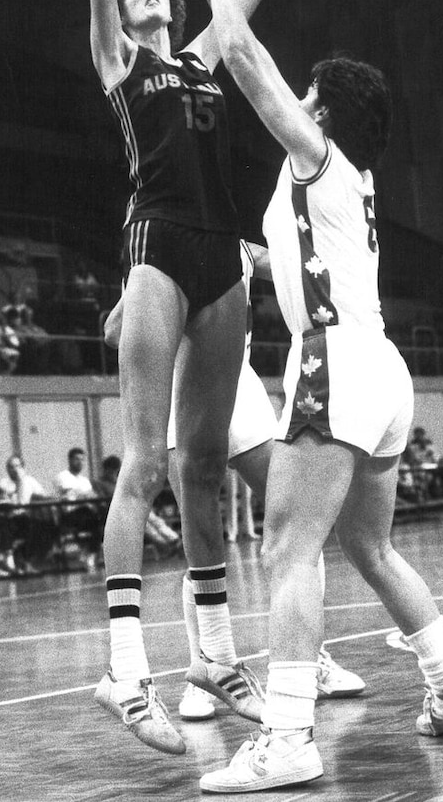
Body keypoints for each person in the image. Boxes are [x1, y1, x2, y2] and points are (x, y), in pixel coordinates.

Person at [172, 0, 443, 791]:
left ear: (323, 109)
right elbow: (314, 253)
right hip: (383, 370)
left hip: (336, 361)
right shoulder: (354, 178)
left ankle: (286, 739)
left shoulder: (315, 151)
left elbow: (241, 59)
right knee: (371, 550)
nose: (298, 96)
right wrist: (259, 256)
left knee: (288, 551)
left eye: (310, 91)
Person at [37, 0, 276, 755]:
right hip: (157, 247)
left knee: (206, 467)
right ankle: (125, 670)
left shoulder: (211, 54)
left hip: (226, 255)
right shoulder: (119, 60)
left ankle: (212, 655)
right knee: (142, 460)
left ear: (173, 1)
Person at [104, 240, 366, 724]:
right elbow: (112, 331)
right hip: (179, 387)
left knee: (298, 519)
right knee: (199, 533)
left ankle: (312, 659)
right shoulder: (154, 255)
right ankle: (205, 667)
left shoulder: (244, 250)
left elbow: (299, 268)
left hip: (239, 387)